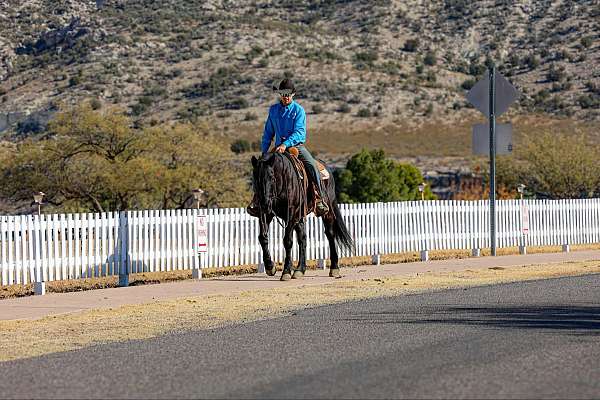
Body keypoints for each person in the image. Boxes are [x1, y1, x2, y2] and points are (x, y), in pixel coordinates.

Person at [247, 78, 329, 217]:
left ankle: (319, 197)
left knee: (311, 165)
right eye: (283, 94)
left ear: (293, 94)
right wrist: (264, 152)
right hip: (278, 148)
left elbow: (299, 132)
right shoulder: (273, 110)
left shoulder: (299, 111)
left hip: (295, 147)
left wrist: (286, 144)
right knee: (262, 170)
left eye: (288, 94)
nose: (285, 97)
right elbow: (268, 132)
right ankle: (257, 200)